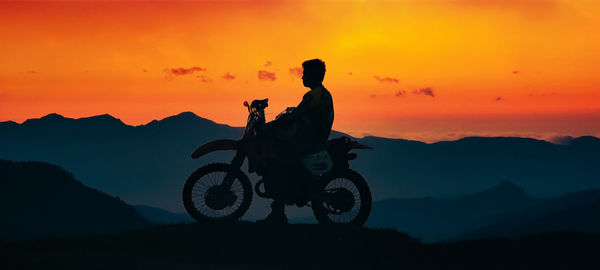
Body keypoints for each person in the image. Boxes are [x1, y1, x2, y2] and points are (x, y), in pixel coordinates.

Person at [257, 58, 334, 224]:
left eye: (305, 74)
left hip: (308, 140)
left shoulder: (314, 95)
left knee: (279, 164)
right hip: (311, 137)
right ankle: (279, 211)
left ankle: (278, 212)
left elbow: (296, 115)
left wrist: (271, 125)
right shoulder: (320, 93)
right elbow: (299, 114)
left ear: (313, 75)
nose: (302, 77)